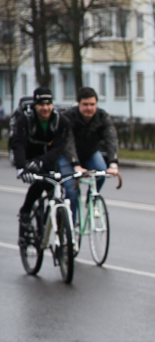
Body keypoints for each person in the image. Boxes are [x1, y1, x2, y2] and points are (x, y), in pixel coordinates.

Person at [14, 87, 72, 240]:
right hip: (28, 154)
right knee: (37, 183)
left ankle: (56, 223)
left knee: (55, 186)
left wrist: (41, 161)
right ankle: (26, 212)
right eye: (41, 104)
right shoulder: (25, 119)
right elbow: (18, 143)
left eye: (48, 104)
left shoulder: (62, 121)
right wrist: (21, 167)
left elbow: (60, 147)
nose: (45, 108)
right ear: (35, 105)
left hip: (48, 157)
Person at [61, 87, 119, 224]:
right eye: (85, 104)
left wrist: (113, 163)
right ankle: (72, 225)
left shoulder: (102, 116)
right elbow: (68, 142)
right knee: (72, 190)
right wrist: (75, 165)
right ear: (78, 104)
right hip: (67, 157)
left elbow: (111, 139)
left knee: (101, 171)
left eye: (92, 104)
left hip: (89, 153)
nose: (89, 108)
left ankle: (91, 200)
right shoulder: (69, 117)